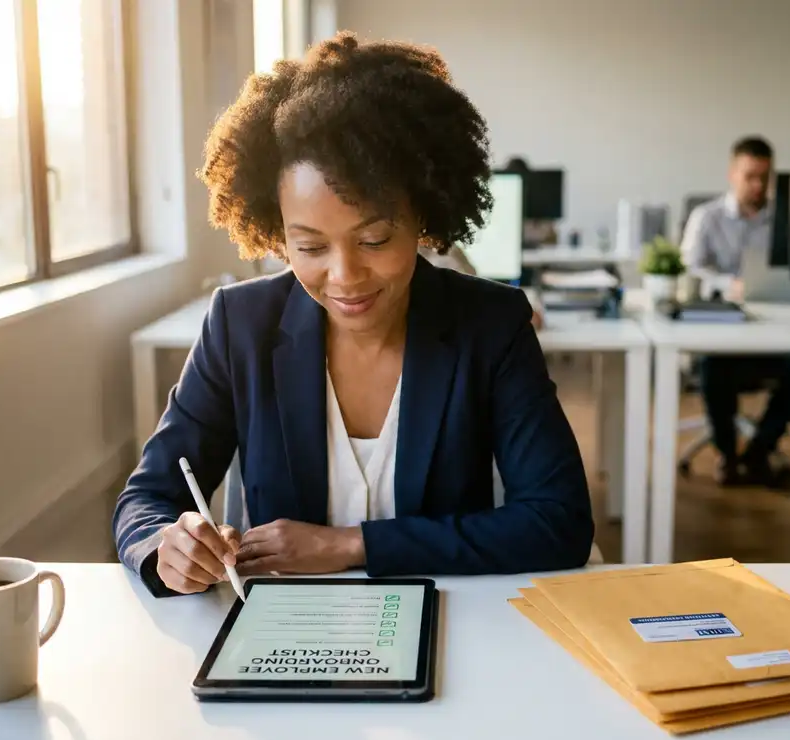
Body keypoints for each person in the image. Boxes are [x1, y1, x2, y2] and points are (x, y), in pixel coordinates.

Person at [113, 33, 593, 597]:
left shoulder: (490, 325)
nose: (344, 276)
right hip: (283, 628)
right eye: (310, 247)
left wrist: (351, 545)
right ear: (277, 232)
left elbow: (558, 521)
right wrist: (169, 547)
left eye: (374, 239)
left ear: (423, 217)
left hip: (453, 624)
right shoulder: (239, 325)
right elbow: (145, 501)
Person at [680, 136, 790, 485]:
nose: (758, 185)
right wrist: (730, 285)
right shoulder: (707, 217)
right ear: (732, 174)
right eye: (750, 176)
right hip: (721, 332)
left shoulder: (783, 218)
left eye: (764, 177)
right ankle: (726, 455)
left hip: (770, 329)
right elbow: (690, 269)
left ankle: (758, 451)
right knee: (714, 369)